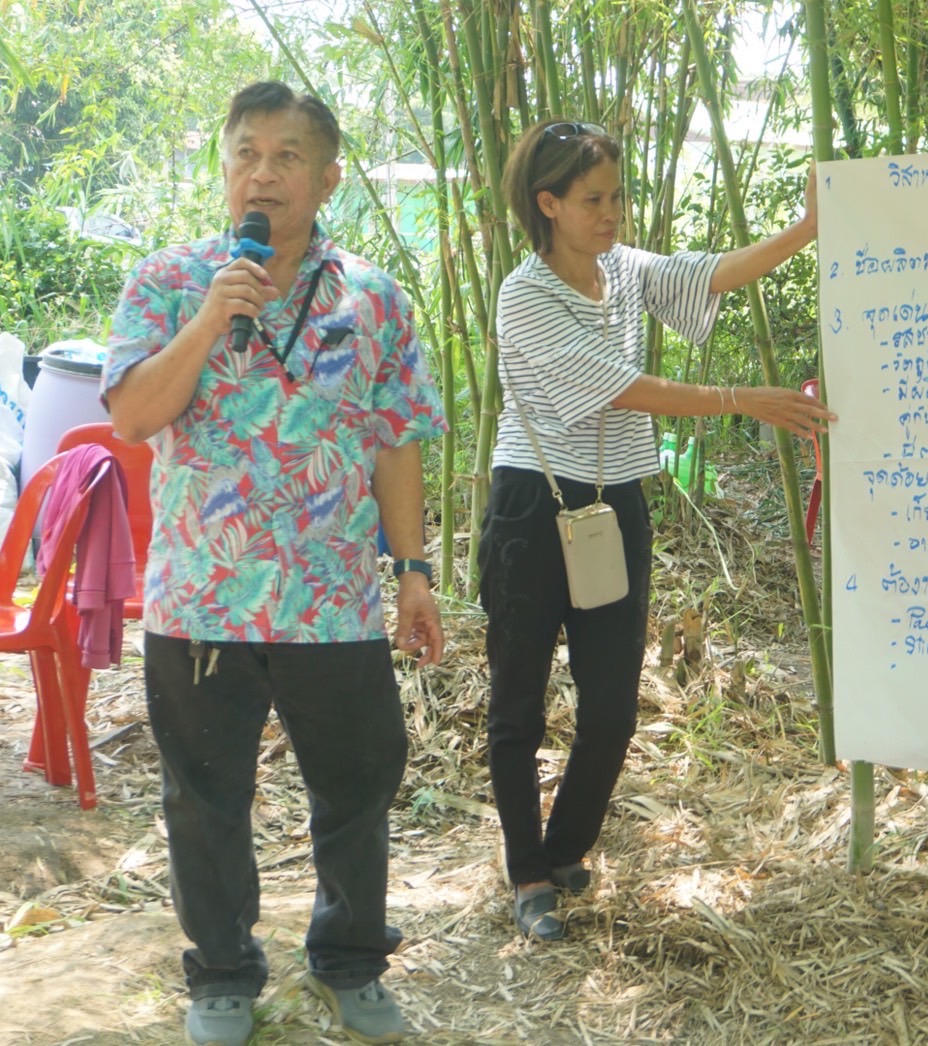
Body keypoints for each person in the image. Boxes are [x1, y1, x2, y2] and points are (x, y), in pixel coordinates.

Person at [102, 81, 447, 1046]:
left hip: (331, 598)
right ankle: (220, 974)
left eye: (287, 155)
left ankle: (348, 959)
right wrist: (210, 320)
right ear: (224, 170)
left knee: (360, 782)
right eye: (246, 152)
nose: (263, 172)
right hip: (202, 596)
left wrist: (413, 569)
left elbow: (398, 440)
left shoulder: (375, 299)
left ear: (328, 176)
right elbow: (131, 417)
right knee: (204, 794)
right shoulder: (169, 281)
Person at [485, 119, 834, 941]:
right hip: (532, 504)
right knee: (518, 705)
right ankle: (528, 872)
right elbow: (619, 388)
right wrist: (741, 400)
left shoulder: (625, 269)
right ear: (549, 205)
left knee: (611, 706)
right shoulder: (523, 294)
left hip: (617, 500)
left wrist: (808, 228)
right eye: (594, 199)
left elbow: (711, 273)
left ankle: (566, 847)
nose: (612, 213)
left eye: (617, 196)